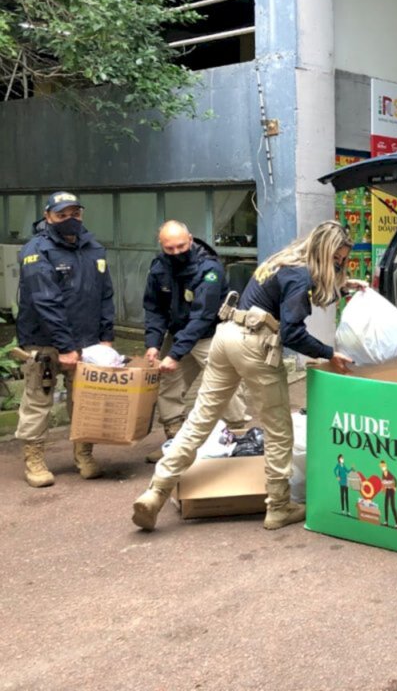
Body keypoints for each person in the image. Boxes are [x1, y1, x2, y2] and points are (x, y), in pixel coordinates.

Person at [131, 220, 360, 532]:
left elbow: (276, 296)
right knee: (278, 429)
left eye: (343, 259)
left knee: (200, 418)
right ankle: (279, 507)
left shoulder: (281, 261)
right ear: (323, 250)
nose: (340, 263)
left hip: (226, 336)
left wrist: (343, 286)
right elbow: (292, 332)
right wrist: (328, 352)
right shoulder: (300, 274)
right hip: (255, 344)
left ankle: (156, 491)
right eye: (337, 258)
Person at [15, 191, 115, 488]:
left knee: (85, 400)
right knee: (38, 398)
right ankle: (34, 459)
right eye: (62, 215)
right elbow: (46, 301)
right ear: (48, 217)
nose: (70, 220)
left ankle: (83, 454)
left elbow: (105, 294)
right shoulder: (36, 251)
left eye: (75, 213)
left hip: (87, 341)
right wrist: (66, 347)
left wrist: (106, 337)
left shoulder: (94, 248)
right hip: (45, 341)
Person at [142, 221, 249, 463]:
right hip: (179, 332)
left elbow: (202, 316)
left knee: (227, 387)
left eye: (181, 246)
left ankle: (237, 441)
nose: (177, 252)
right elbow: (154, 308)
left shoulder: (209, 268)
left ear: (190, 239)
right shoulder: (159, 267)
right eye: (170, 249)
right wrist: (153, 344)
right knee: (168, 385)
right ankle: (177, 445)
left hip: (212, 334)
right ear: (162, 246)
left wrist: (175, 354)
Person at [380, 459, 397, 528]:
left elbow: (395, 480)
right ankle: (386, 521)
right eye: (381, 466)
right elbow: (383, 482)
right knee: (385, 505)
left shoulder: (389, 473)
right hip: (387, 489)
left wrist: (395, 487)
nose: (382, 467)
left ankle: (396, 523)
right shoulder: (383, 474)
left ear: (386, 466)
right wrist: (383, 488)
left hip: (391, 490)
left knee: (392, 506)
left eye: (383, 466)